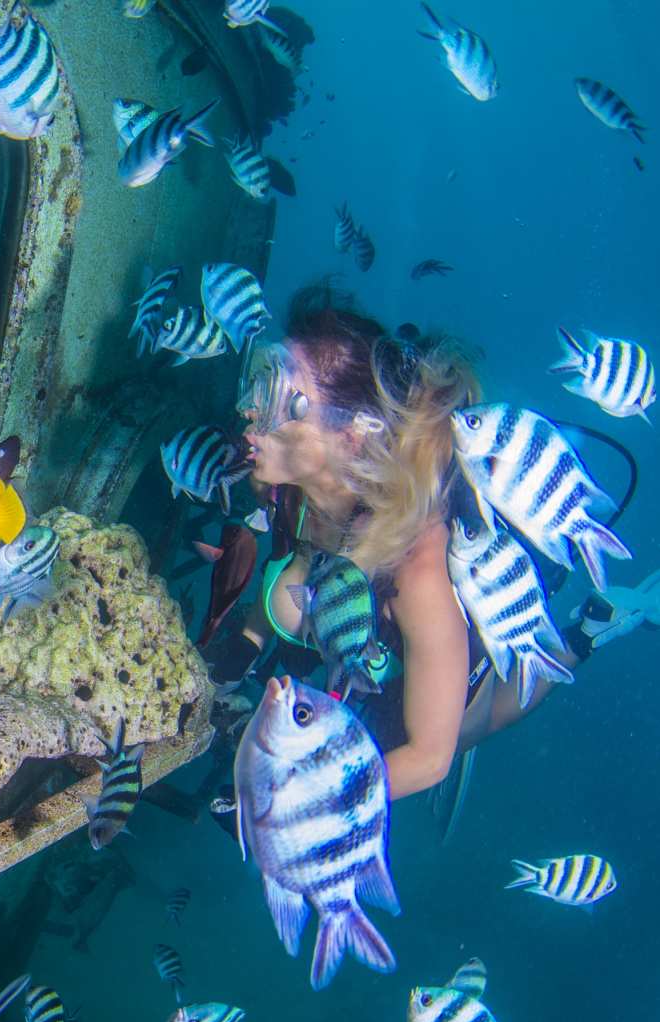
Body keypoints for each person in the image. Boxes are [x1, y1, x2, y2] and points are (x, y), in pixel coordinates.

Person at [204, 284, 639, 802]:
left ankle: (588, 633)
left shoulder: (418, 570)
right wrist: (248, 643)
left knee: (469, 721)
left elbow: (430, 760)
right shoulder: (280, 482)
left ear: (352, 434)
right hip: (366, 649)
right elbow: (295, 557)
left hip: (463, 679)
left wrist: (304, 803)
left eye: (278, 397)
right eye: (258, 381)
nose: (250, 411)